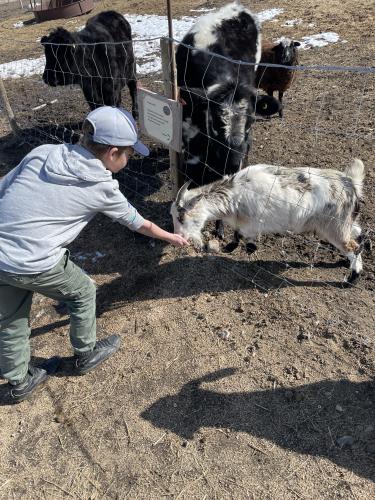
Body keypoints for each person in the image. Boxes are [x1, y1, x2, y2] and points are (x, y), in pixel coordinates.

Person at [0, 106, 188, 403]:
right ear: (113, 153)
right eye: (129, 154)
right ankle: (85, 354)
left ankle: (18, 380)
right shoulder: (100, 186)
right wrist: (171, 237)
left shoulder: (45, 152)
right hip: (33, 260)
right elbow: (137, 222)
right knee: (83, 291)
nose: (129, 159)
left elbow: (3, 189)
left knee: (10, 317)